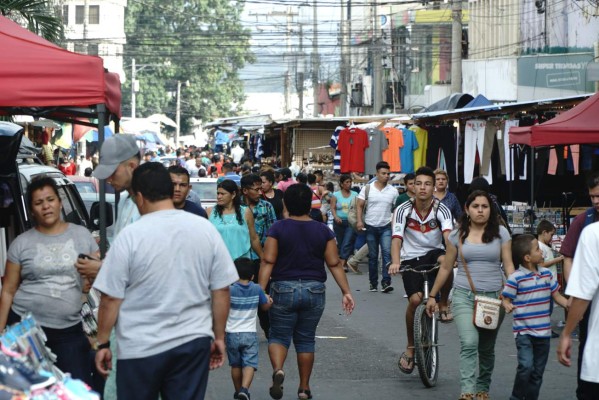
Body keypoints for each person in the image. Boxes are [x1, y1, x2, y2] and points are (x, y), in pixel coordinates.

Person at [93, 162, 238, 399]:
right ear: (170, 191)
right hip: (192, 344)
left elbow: (110, 297)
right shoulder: (204, 229)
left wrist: (103, 344)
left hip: (139, 347)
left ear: (139, 197)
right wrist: (219, 337)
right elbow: (221, 290)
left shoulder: (130, 236)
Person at [258, 183, 355, 400]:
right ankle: (304, 388)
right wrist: (346, 291)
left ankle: (278, 370)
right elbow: (334, 263)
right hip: (314, 290)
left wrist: (261, 290)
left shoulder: (278, 228)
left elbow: (268, 260)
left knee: (279, 336)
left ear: (286, 204)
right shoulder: (323, 230)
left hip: (283, 288)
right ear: (309, 205)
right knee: (305, 339)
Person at [0, 177, 98, 386]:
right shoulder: (21, 243)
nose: (46, 206)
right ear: (32, 210)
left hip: (69, 331)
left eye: (50, 199)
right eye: (38, 203)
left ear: (60, 202)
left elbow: (99, 276)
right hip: (25, 330)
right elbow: (8, 290)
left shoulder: (81, 235)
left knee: (77, 390)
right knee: (30, 391)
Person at [424, 190, 514, 400]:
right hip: (464, 295)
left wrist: (513, 291)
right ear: (467, 209)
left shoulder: (502, 233)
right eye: (476, 206)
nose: (480, 211)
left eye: (484, 206)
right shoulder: (457, 235)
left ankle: (482, 388)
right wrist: (433, 296)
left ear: (490, 210)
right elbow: (446, 268)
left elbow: (509, 265)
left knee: (486, 347)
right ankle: (467, 391)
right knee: (469, 341)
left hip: (494, 297)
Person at [80, 134, 142, 399]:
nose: (108, 179)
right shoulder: (127, 201)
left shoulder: (144, 206)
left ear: (132, 166)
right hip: (123, 319)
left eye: (112, 171)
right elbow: (120, 252)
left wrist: (102, 269)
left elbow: (137, 265)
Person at [389, 166, 454, 375]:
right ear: (412, 187)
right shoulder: (403, 210)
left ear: (434, 187)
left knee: (447, 260)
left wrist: (454, 255)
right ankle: (410, 347)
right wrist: (395, 261)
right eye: (419, 184)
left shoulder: (442, 209)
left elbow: (447, 237)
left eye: (428, 184)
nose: (423, 188)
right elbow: (396, 239)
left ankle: (443, 302)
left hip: (434, 253)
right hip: (410, 258)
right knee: (415, 301)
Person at [502, 234, 568, 400]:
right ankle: (516, 397)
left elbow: (557, 296)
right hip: (524, 332)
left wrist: (570, 305)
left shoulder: (546, 274)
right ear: (527, 258)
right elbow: (506, 298)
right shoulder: (516, 278)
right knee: (526, 366)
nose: (542, 252)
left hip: (543, 334)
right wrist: (507, 304)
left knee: (537, 373)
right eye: (537, 249)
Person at [558, 171, 599, 396]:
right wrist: (572, 289)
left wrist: (566, 333)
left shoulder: (592, 234)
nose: (596, 201)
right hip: (589, 299)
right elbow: (568, 256)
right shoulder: (585, 221)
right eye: (593, 197)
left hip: (589, 297)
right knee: (587, 343)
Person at [226, 258, 273, 400]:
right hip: (249, 333)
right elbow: (264, 307)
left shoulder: (229, 290)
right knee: (249, 363)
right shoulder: (257, 289)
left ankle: (237, 390)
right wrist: (269, 301)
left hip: (232, 334)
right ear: (253, 276)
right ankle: (244, 389)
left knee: (235, 365)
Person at [241, 174, 277, 338]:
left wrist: (270, 257)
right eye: (255, 189)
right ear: (245, 191)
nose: (259, 191)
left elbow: (273, 233)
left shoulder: (267, 207)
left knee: (262, 296)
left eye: (260, 188)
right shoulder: (236, 208)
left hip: (260, 259)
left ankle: (269, 330)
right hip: (240, 260)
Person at [356, 161, 398, 293]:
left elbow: (395, 209)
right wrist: (359, 221)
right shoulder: (367, 188)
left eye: (388, 174)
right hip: (370, 226)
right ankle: (373, 283)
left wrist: (394, 225)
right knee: (373, 256)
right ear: (377, 174)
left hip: (386, 226)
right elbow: (359, 205)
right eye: (383, 173)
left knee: (386, 254)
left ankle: (386, 282)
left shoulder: (393, 191)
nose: (386, 176)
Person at [208, 179, 263, 261]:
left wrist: (263, 258)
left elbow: (253, 238)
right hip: (218, 262)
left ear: (233, 194)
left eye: (222, 194)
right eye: (218, 193)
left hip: (242, 263)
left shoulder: (245, 212)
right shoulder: (210, 212)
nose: (219, 196)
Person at [536, 219, 564, 338]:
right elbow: (541, 264)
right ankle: (544, 328)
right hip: (546, 282)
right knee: (547, 307)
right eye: (551, 234)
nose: (552, 238)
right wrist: (558, 259)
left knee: (549, 307)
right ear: (544, 232)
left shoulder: (543, 246)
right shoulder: (540, 247)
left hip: (549, 282)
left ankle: (545, 328)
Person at [330, 174, 359, 273]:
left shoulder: (355, 194)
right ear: (342, 184)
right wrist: (336, 217)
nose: (349, 184)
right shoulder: (336, 195)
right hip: (339, 222)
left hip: (351, 222)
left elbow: (358, 208)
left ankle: (342, 263)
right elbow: (332, 208)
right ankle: (344, 261)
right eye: (347, 182)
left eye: (350, 182)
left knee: (347, 242)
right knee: (341, 243)